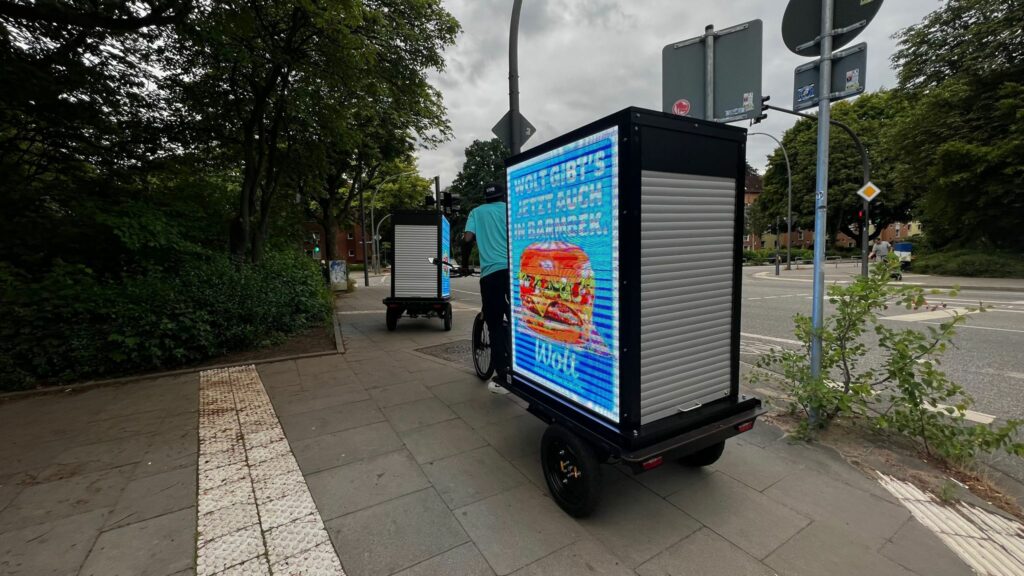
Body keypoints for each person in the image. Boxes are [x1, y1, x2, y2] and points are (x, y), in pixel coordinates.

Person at [462, 182, 510, 394]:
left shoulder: (476, 212)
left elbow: (467, 239)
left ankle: (501, 377)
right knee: (521, 318)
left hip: (491, 274)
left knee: (495, 325)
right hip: (515, 272)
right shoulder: (510, 209)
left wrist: (464, 264)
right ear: (503, 195)